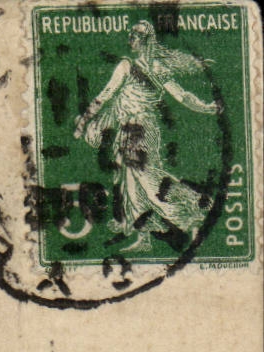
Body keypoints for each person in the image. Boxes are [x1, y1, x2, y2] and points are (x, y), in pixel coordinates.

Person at [72, 20, 222, 252]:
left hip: (139, 132)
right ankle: (144, 238)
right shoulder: (141, 66)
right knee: (130, 184)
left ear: (145, 41)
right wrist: (206, 107)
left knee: (148, 181)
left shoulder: (133, 66)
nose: (130, 40)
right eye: (130, 36)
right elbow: (107, 96)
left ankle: (195, 205)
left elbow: (181, 96)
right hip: (130, 131)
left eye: (134, 37)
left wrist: (206, 107)